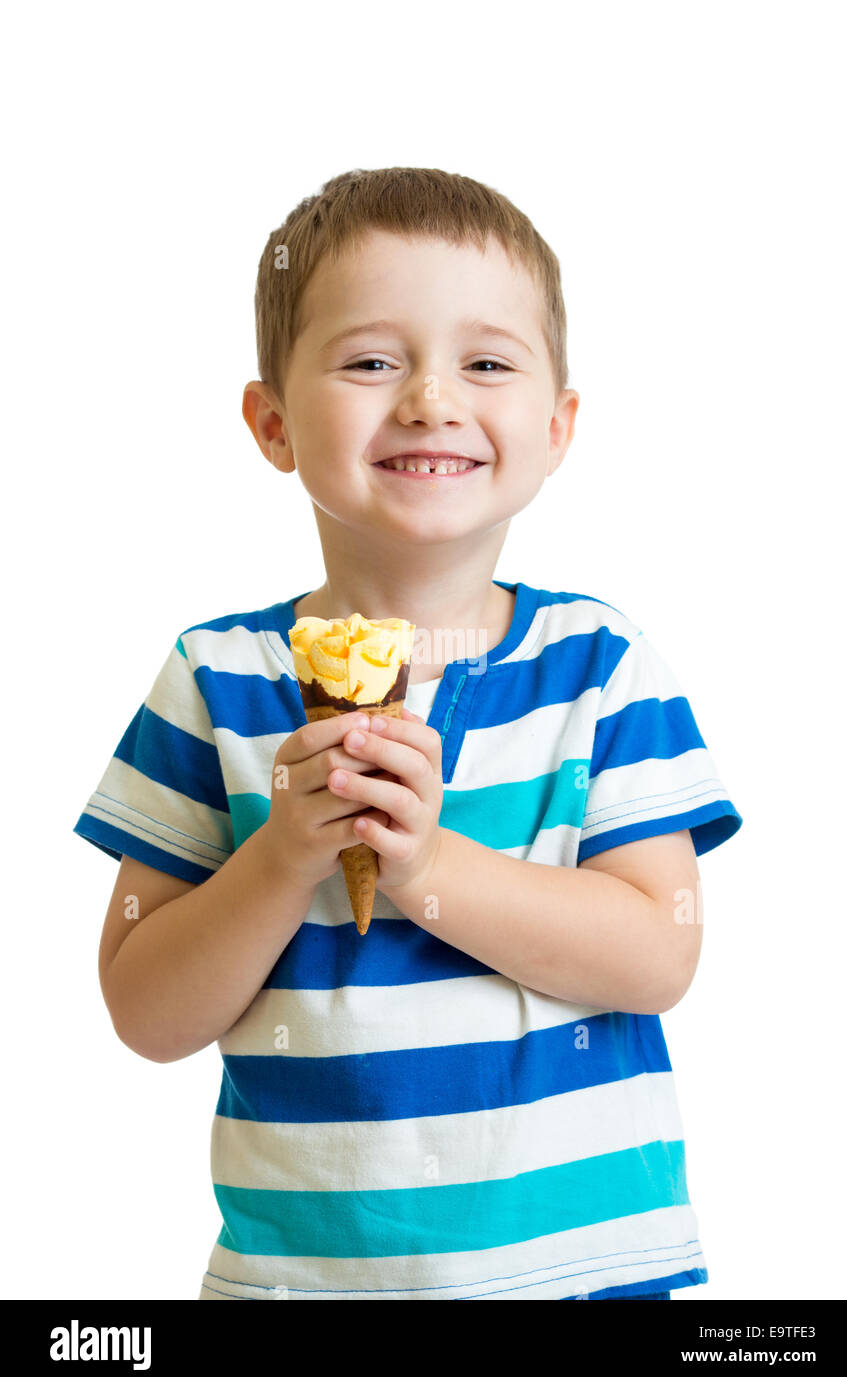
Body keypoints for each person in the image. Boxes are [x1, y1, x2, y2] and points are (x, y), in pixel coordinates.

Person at [73, 167, 742, 1301]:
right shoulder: (215, 680)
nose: (431, 399)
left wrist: (429, 868)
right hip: (300, 1281)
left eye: (486, 363)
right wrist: (281, 859)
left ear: (555, 427)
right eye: (373, 361)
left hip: (577, 1272)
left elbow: (657, 954)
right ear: (273, 424)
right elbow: (145, 1008)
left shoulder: (599, 666)